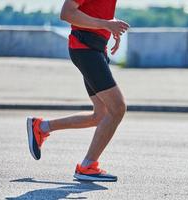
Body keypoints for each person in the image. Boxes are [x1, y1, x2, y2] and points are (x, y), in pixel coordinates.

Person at [26, 0, 130, 182]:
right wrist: (107, 24)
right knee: (118, 108)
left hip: (96, 49)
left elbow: (95, 11)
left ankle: (41, 127)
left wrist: (111, 26)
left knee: (101, 115)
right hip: (85, 48)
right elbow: (67, 13)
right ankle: (87, 166)